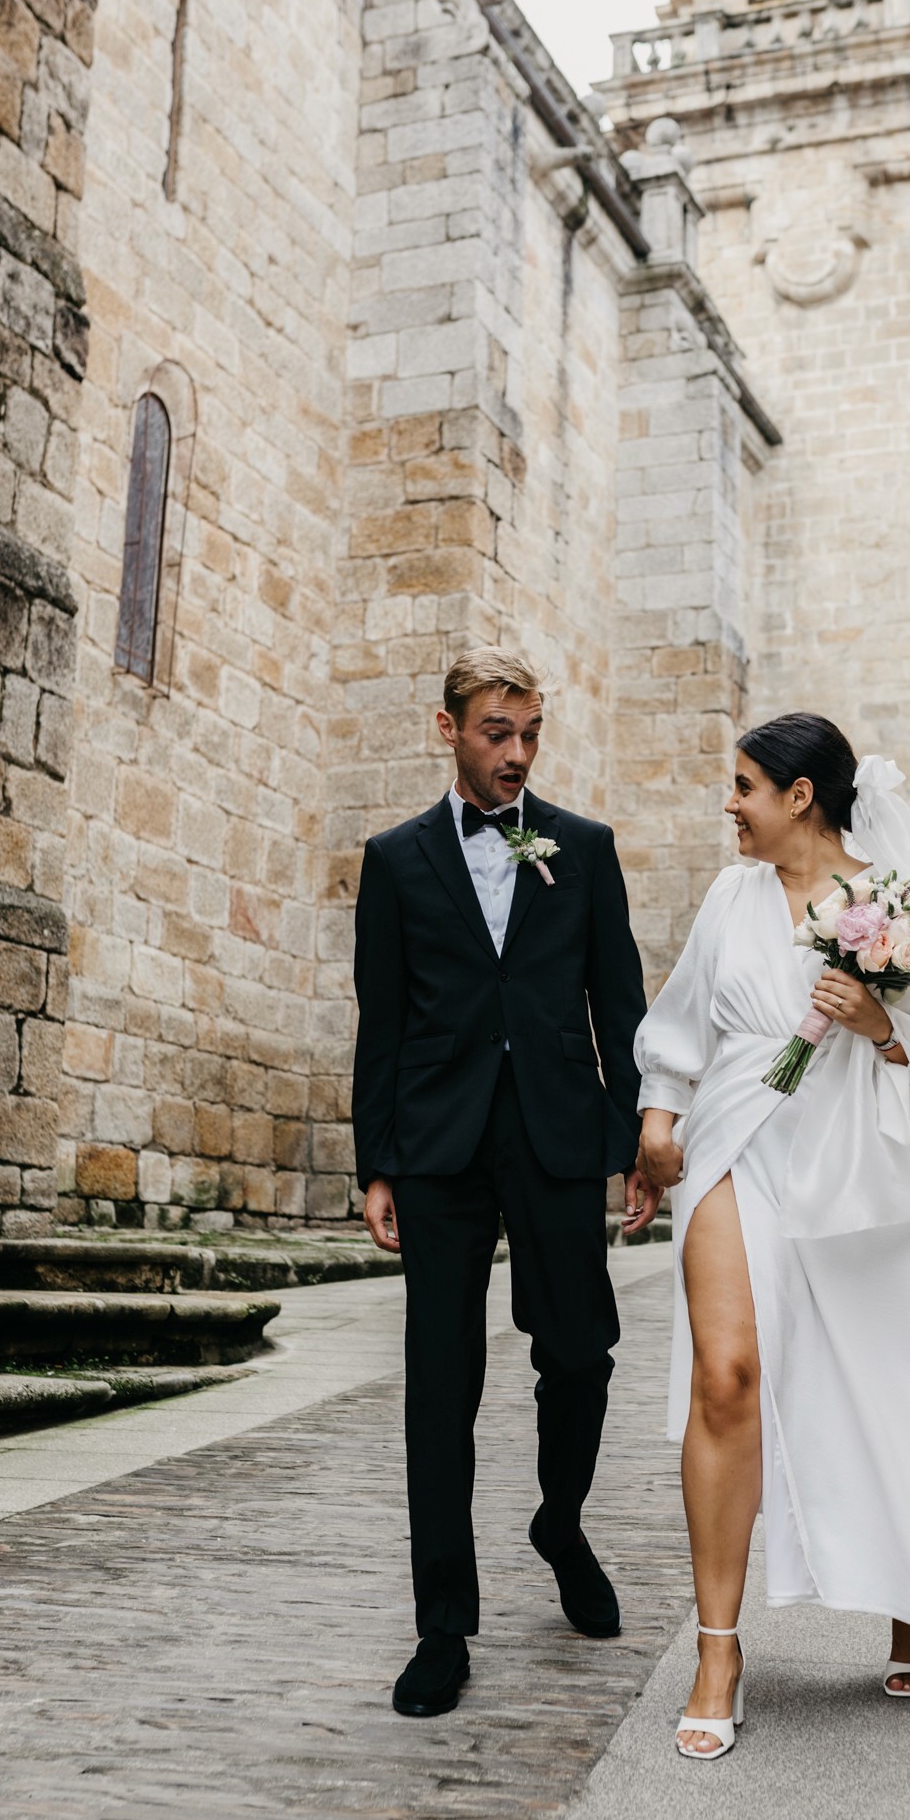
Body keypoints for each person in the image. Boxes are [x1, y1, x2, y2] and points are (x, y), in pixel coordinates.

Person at [634, 715, 910, 1759]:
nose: (730, 802)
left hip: (861, 1158)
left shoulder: (888, 900)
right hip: (738, 1140)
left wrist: (878, 1024)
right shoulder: (727, 897)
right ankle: (717, 1649)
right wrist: (659, 1114)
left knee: (895, 1379)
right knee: (726, 1375)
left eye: (743, 784)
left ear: (800, 796)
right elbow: (681, 1023)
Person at [353, 647, 661, 1717]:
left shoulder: (582, 848)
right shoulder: (393, 861)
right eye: (496, 732)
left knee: (578, 1350)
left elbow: (617, 1005)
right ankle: (444, 1622)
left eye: (529, 732)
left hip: (556, 1137)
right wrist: (375, 1160)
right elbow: (381, 1022)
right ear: (448, 729)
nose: (517, 754)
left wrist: (632, 1137)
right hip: (436, 1147)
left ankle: (558, 1519)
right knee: (441, 1383)